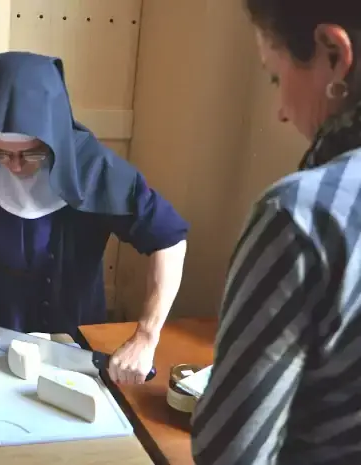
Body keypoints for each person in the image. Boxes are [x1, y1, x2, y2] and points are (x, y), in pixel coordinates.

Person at [0, 51, 189, 385]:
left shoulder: (96, 170)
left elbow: (169, 238)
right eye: (0, 152)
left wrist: (146, 335)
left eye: (30, 153)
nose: (14, 165)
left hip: (73, 338)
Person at [192, 1, 361, 464]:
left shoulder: (300, 216)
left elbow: (233, 454)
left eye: (275, 75)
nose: (282, 112)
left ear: (333, 53)